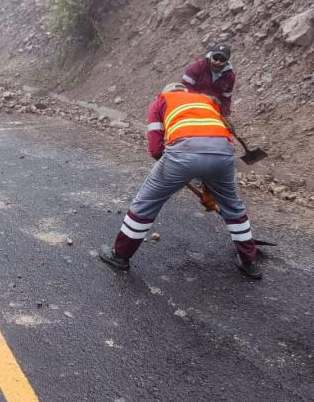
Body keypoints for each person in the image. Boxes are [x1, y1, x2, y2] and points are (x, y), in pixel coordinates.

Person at [99, 82, 262, 279]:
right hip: (223, 152)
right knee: (233, 207)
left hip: (182, 154)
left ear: (167, 92)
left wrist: (174, 169)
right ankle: (250, 262)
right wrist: (208, 188)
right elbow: (212, 139)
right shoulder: (204, 100)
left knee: (146, 203)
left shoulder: (161, 100)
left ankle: (120, 256)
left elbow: (155, 149)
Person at [182, 43, 235, 117]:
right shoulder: (196, 67)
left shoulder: (230, 76)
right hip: (190, 104)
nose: (218, 62)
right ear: (211, 56)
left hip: (211, 108)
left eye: (222, 59)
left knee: (228, 127)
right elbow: (185, 88)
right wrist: (203, 98)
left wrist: (225, 115)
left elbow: (226, 99)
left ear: (227, 61)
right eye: (215, 58)